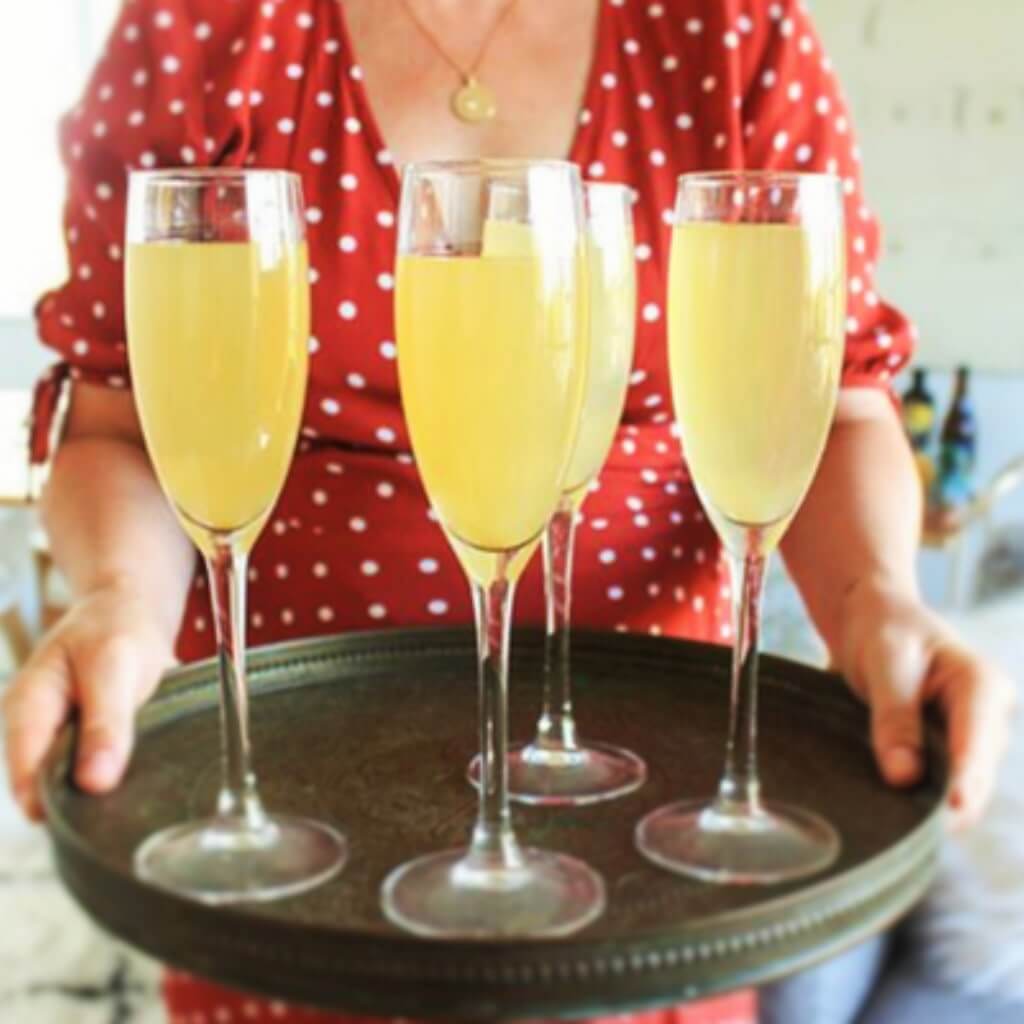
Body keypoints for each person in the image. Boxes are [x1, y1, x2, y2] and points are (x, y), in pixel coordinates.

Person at [3, 1, 1014, 1022]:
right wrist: (121, 606)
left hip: (648, 819)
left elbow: (833, 401)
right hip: (301, 827)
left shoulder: (728, 29)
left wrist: (878, 598)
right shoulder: (202, 25)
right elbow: (120, 423)